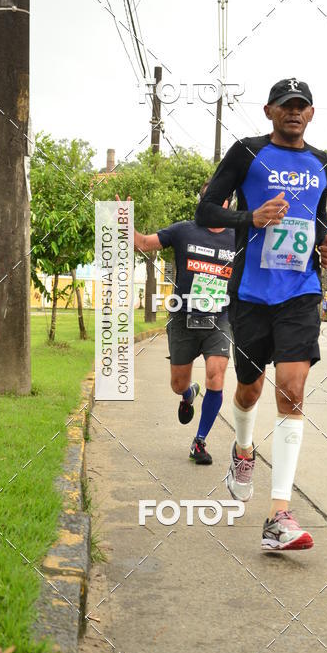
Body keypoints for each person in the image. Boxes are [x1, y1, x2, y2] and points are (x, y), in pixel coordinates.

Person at [196, 78, 327, 552]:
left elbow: (317, 216)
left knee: (293, 389)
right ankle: (242, 449)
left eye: (301, 107)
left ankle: (279, 515)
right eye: (285, 106)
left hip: (301, 290)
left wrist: (326, 246)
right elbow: (206, 210)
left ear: (312, 114)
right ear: (270, 111)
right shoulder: (246, 152)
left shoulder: (322, 162)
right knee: (250, 387)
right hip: (252, 292)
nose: (293, 113)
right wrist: (249, 219)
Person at [123, 183, 234, 465]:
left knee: (216, 375)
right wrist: (126, 223)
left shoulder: (239, 236)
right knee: (177, 383)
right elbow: (144, 243)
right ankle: (188, 394)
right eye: (208, 198)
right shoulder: (184, 230)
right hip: (184, 317)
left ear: (229, 203)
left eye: (220, 198)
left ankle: (199, 442)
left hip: (219, 318)